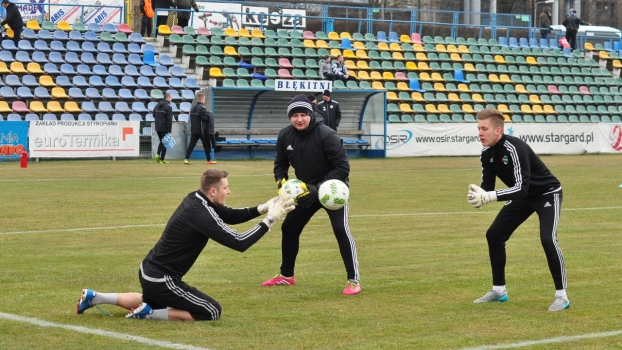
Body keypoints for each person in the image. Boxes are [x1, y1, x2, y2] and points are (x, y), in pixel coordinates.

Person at [76, 169, 296, 321]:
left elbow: (228, 214)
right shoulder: (201, 214)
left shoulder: (197, 198)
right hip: (162, 278)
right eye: (226, 188)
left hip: (149, 271)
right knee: (211, 311)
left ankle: (96, 297)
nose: (229, 191)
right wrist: (271, 219)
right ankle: (148, 314)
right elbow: (239, 242)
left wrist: (263, 208)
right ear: (213, 191)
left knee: (150, 298)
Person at [468, 108, 569, 312]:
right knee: (494, 235)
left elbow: (521, 187)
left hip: (547, 193)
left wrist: (490, 196)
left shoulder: (515, 148)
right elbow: (488, 185)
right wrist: (479, 195)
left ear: (498, 130)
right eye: (478, 128)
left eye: (484, 129)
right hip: (522, 197)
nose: (480, 133)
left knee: (548, 239)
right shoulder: (486, 153)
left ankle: (562, 296)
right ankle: (499, 291)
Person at [262, 95, 361, 295]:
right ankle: (286, 276)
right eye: (295, 115)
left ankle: (353, 280)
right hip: (304, 191)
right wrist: (281, 181)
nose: (300, 119)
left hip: (333, 189)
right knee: (289, 228)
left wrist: (317, 190)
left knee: (340, 229)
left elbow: (342, 168)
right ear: (290, 117)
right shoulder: (285, 135)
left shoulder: (327, 134)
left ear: (310, 114)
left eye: (303, 115)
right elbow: (280, 163)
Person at [184, 93, 217, 165]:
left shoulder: (193, 107)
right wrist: (208, 116)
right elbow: (204, 118)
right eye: (204, 99)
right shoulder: (202, 108)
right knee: (206, 145)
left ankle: (186, 159)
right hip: (201, 130)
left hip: (193, 129)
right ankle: (209, 160)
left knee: (191, 144)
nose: (205, 100)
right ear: (202, 99)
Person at [154, 93, 173, 164]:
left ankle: (162, 158)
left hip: (157, 126)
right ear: (167, 97)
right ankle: (158, 154)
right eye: (171, 97)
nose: (172, 99)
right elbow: (169, 119)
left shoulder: (157, 105)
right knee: (164, 141)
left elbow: (154, 115)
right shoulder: (168, 106)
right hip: (164, 127)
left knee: (163, 142)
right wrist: (169, 130)